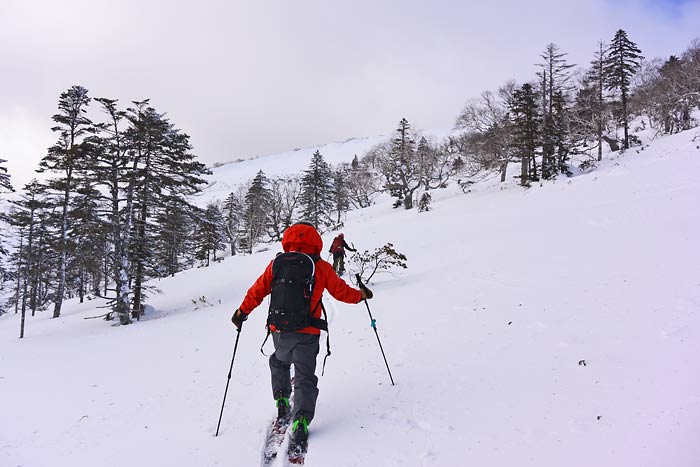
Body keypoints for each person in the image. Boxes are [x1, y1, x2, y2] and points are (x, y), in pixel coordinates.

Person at [231, 222, 373, 452]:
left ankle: (282, 399)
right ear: (315, 241)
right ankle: (301, 421)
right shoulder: (321, 267)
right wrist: (361, 296)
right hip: (308, 334)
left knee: (279, 362)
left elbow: (257, 290)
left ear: (288, 239)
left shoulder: (277, 264)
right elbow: (341, 292)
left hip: (279, 331)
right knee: (305, 377)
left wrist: (241, 313)